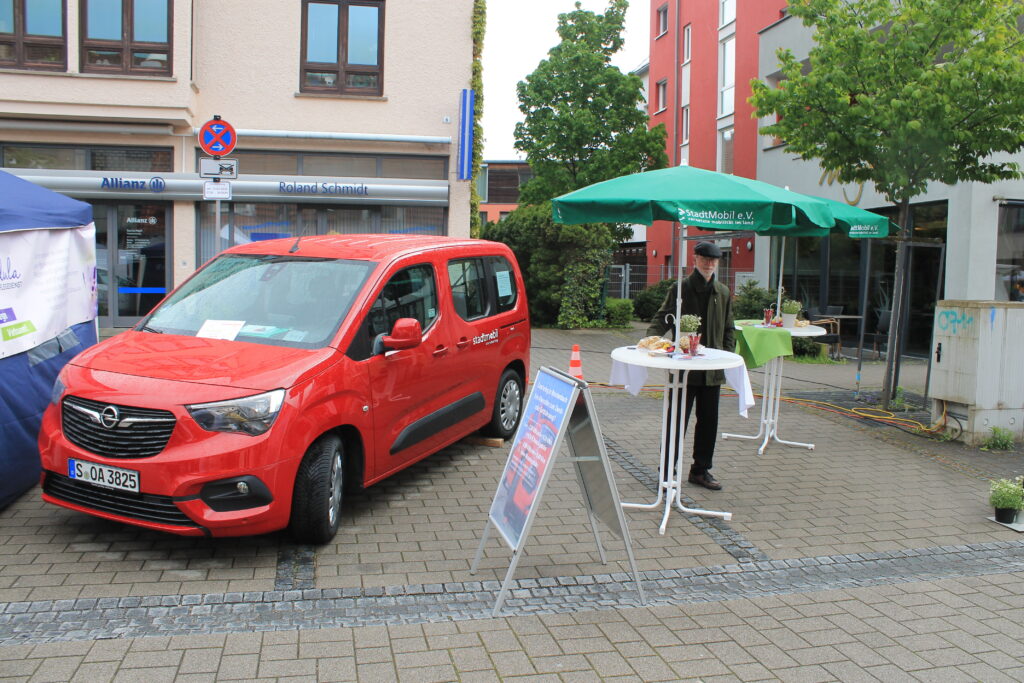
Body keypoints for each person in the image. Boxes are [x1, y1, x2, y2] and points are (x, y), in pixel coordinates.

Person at [646, 241, 735, 490]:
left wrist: (727, 356)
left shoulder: (723, 292)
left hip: (712, 371)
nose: (709, 264)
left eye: (714, 260)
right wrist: (648, 340)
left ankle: (700, 471)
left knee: (709, 422)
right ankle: (666, 471)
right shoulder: (681, 288)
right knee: (676, 420)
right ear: (695, 259)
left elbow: (729, 328)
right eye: (705, 259)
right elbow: (663, 317)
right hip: (683, 369)